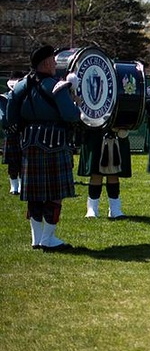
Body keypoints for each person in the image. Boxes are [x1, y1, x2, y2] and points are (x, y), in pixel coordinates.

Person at [6, 45, 81, 251]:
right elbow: (71, 115)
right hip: (55, 143)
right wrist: (76, 103)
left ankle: (36, 238)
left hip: (29, 143)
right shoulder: (57, 87)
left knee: (34, 194)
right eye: (53, 61)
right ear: (46, 63)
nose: (56, 64)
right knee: (55, 193)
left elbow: (10, 115)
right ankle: (48, 238)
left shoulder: (20, 86)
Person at [78, 127, 130, 218]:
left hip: (117, 131)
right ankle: (92, 209)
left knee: (114, 173)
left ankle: (115, 209)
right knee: (96, 173)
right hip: (94, 130)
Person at [2, 70, 26, 194]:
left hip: (23, 132)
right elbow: (3, 117)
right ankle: (14, 185)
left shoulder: (26, 97)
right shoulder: (4, 98)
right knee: (12, 162)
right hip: (11, 133)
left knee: (23, 161)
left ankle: (22, 184)